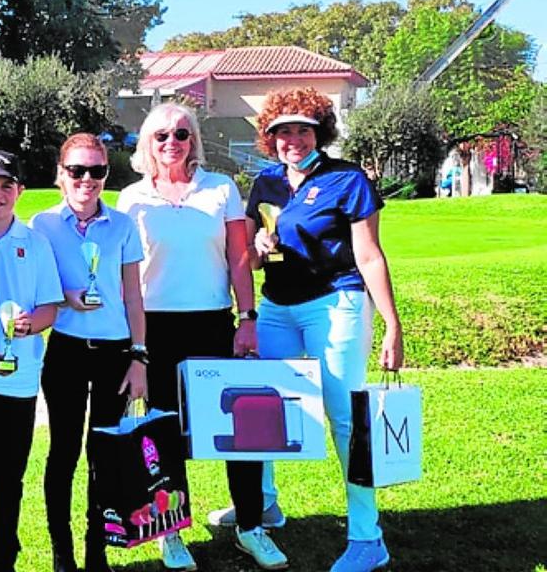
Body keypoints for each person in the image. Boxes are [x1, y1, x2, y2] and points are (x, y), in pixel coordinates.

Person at [117, 103, 289, 571]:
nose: (172, 142)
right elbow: (126, 274)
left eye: (181, 134)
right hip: (155, 327)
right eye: (161, 136)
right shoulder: (131, 199)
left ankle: (250, 526)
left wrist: (247, 318)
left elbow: (239, 258)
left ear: (193, 139)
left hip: (213, 322)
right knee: (165, 434)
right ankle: (171, 532)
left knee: (241, 429)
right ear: (147, 143)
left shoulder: (220, 189)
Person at [245, 88, 405, 572]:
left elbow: (369, 255)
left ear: (320, 133)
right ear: (269, 136)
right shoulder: (265, 183)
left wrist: (392, 325)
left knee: (344, 417)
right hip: (276, 306)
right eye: (283, 131)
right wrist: (258, 246)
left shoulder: (347, 178)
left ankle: (367, 537)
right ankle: (263, 506)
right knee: (262, 410)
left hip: (336, 303)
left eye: (303, 130)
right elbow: (251, 260)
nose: (292, 139)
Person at [29, 133, 149, 572]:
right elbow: (35, 288)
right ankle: (62, 554)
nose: (87, 179)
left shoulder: (122, 225)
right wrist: (66, 296)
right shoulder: (42, 225)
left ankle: (97, 550)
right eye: (76, 170)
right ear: (60, 174)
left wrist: (139, 357)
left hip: (115, 352)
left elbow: (133, 295)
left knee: (104, 454)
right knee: (63, 452)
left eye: (96, 171)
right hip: (65, 350)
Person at [0, 150, 64, 572]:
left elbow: (50, 308)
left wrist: (28, 325)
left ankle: (1, 561)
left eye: (6, 186)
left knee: (7, 484)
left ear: (20, 191)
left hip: (18, 382)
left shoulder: (35, 242)